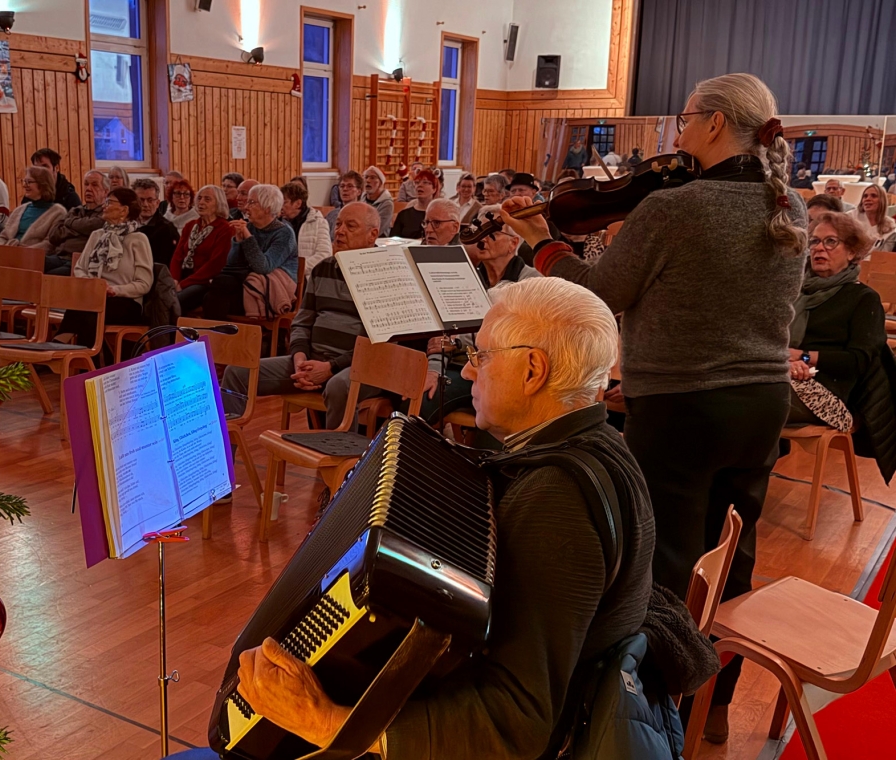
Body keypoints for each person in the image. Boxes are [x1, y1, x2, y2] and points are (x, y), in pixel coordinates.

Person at [224, 277, 655, 760]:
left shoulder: (556, 499)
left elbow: (517, 724)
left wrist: (326, 722)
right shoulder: (601, 449)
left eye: (482, 355)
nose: (469, 374)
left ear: (533, 370)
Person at [503, 72, 807, 743]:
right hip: (762, 405)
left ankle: (662, 713)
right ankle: (717, 707)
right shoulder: (789, 205)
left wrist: (537, 240)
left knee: (666, 564)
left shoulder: (675, 209)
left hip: (682, 406)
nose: (678, 131)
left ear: (716, 125)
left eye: (685, 118)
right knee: (735, 557)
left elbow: (597, 292)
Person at [221, 203, 387, 429]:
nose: (339, 231)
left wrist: (330, 367)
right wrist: (299, 356)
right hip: (310, 360)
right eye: (338, 224)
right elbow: (302, 321)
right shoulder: (323, 269)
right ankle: (224, 458)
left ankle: (342, 462)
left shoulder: (386, 275)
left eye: (350, 226)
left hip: (357, 366)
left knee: (338, 386)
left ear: (372, 235)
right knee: (237, 374)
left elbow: (378, 342)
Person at [421, 206, 541, 425]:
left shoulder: (531, 283)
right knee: (419, 397)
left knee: (426, 405)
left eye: (492, 234)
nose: (482, 240)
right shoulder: (464, 277)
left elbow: (516, 344)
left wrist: (456, 343)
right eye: (480, 231)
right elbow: (443, 337)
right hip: (459, 368)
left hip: (500, 376)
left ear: (513, 244)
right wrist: (433, 371)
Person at [787, 213, 884, 431]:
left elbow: (859, 361)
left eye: (831, 241)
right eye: (814, 241)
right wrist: (786, 361)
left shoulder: (863, 298)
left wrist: (803, 356)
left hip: (829, 394)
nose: (819, 248)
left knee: (755, 397)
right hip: (786, 374)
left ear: (852, 251)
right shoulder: (795, 292)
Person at [55, 187, 153, 364]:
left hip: (125, 301)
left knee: (92, 309)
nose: (104, 206)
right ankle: (89, 361)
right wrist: (92, 284)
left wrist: (114, 290)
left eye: (109, 202)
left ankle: (68, 347)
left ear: (124, 210)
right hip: (94, 296)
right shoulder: (97, 235)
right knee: (89, 306)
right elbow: (80, 268)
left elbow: (144, 283)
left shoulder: (138, 239)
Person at [203, 184, 299, 320]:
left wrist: (248, 237)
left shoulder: (284, 233)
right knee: (215, 289)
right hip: (248, 281)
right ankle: (219, 336)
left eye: (252, 202)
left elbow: (263, 267)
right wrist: (237, 241)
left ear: (268, 208)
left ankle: (215, 337)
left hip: (271, 288)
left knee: (217, 292)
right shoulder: (250, 227)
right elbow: (231, 266)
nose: (246, 207)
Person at [170, 185, 233, 314]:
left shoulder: (225, 229)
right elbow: (177, 256)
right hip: (182, 277)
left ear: (218, 204)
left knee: (173, 304)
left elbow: (215, 264)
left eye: (207, 199)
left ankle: (172, 334)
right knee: (157, 301)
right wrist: (174, 280)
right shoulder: (190, 225)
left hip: (204, 281)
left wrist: (183, 284)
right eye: (199, 198)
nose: (201, 202)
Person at [46, 169, 109, 274]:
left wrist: (69, 225)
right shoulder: (75, 211)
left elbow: (93, 226)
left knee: (50, 276)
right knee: (31, 265)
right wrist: (80, 230)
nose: (89, 188)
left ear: (106, 192)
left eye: (94, 185)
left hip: (80, 262)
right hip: (59, 256)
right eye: (86, 184)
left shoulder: (105, 213)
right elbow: (53, 235)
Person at [0, 166, 67, 249]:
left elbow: (49, 244)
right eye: (24, 181)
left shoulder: (58, 212)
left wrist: (23, 253)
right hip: (6, 254)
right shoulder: (19, 210)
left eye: (29, 182)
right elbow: (3, 236)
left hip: (33, 258)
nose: (25, 185)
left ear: (42, 184)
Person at [281, 181, 332, 273]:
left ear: (298, 204)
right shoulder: (280, 223)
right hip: (285, 276)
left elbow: (324, 254)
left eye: (284, 203)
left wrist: (298, 269)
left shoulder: (319, 222)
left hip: (307, 278)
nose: (280, 207)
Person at [131, 178, 182, 267]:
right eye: (141, 200)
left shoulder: (167, 229)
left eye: (150, 200)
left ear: (157, 203)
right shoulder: (126, 224)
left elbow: (167, 265)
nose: (145, 204)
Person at [389, 169, 437, 239]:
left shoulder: (439, 215)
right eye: (417, 183)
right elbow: (393, 240)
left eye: (425, 182)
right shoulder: (404, 215)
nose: (420, 185)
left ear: (434, 189)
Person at [851, 184, 895, 250]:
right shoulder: (850, 217)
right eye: (865, 196)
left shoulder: (890, 225)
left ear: (882, 200)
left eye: (873, 196)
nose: (868, 199)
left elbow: (887, 251)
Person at [325, 171, 363, 237]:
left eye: (350, 186)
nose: (345, 189)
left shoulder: (364, 215)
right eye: (342, 186)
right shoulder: (331, 215)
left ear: (359, 191)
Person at [362, 166, 393, 235]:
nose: (368, 181)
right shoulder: (360, 199)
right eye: (366, 177)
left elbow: (379, 228)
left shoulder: (387, 203)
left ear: (380, 183)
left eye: (372, 178)